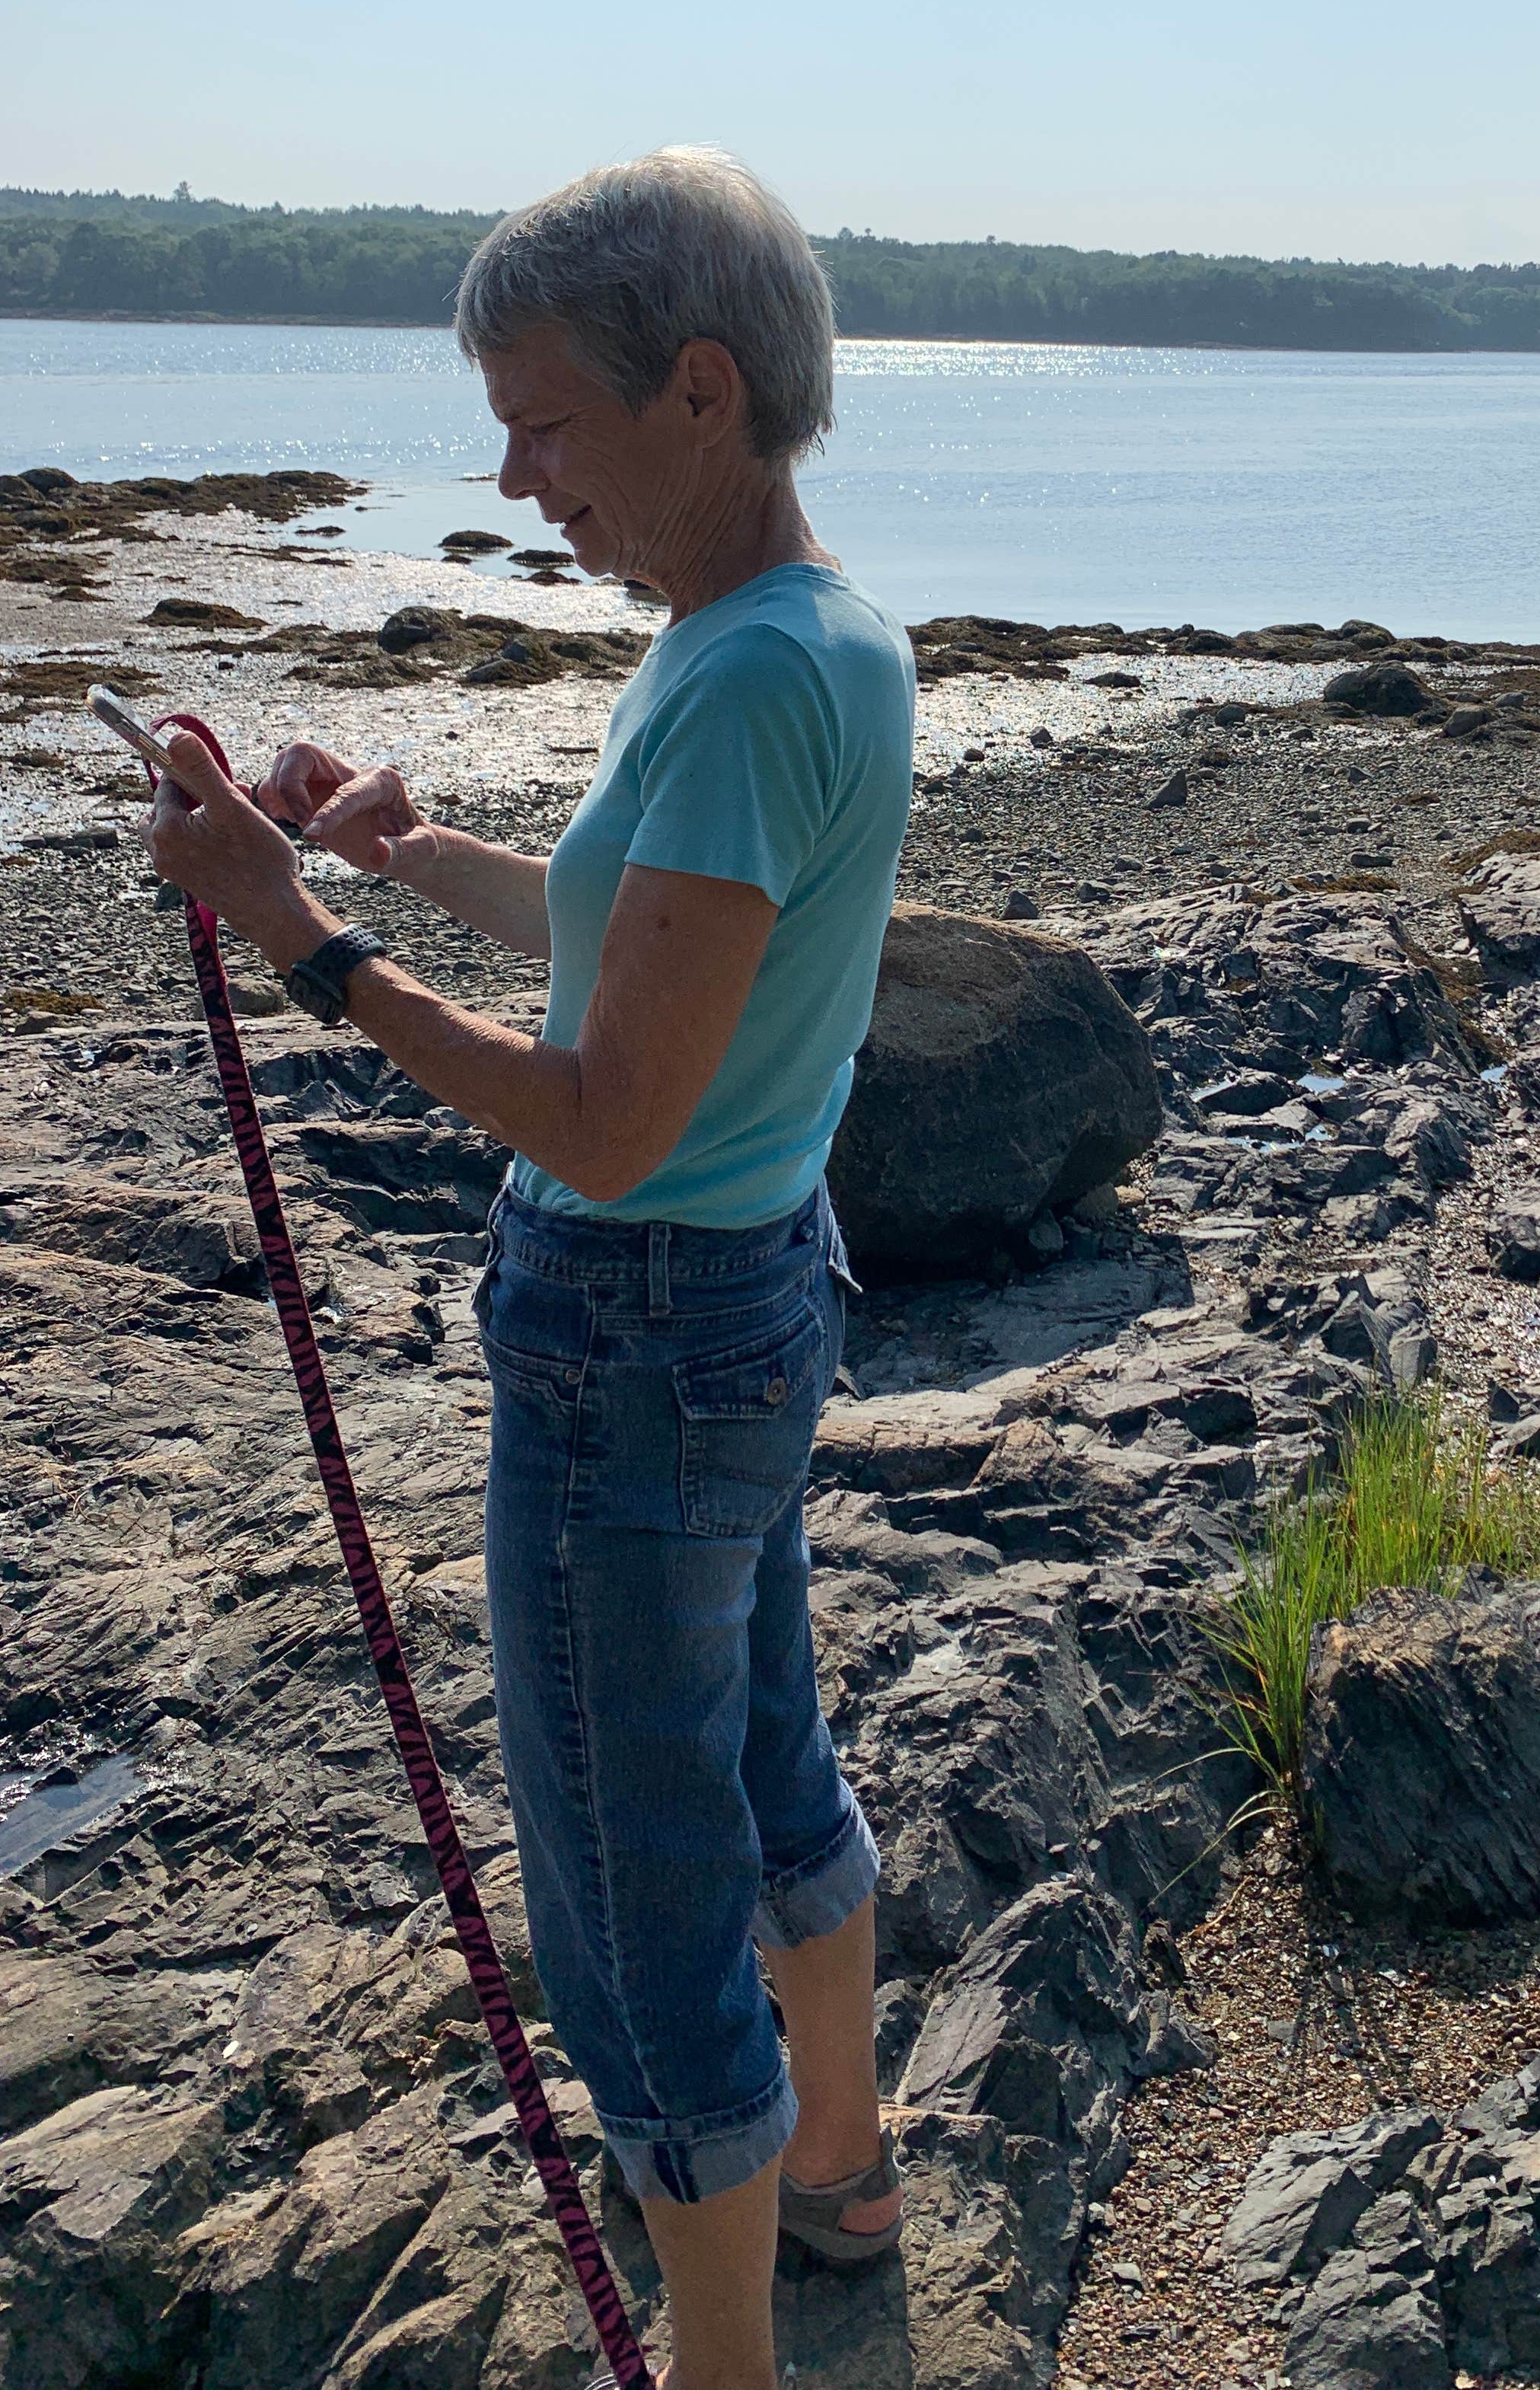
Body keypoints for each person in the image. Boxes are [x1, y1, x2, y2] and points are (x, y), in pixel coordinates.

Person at [145, 147, 913, 2390]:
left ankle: (724, 2360)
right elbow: (657, 963)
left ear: (700, 389)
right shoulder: (807, 636)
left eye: (547, 420)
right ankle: (844, 2169)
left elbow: (599, 1113)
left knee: (625, 1880)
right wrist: (395, 850)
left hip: (639, 1338)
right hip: (756, 1293)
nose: (514, 473)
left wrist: (303, 946)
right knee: (762, 1760)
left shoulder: (738, 684)